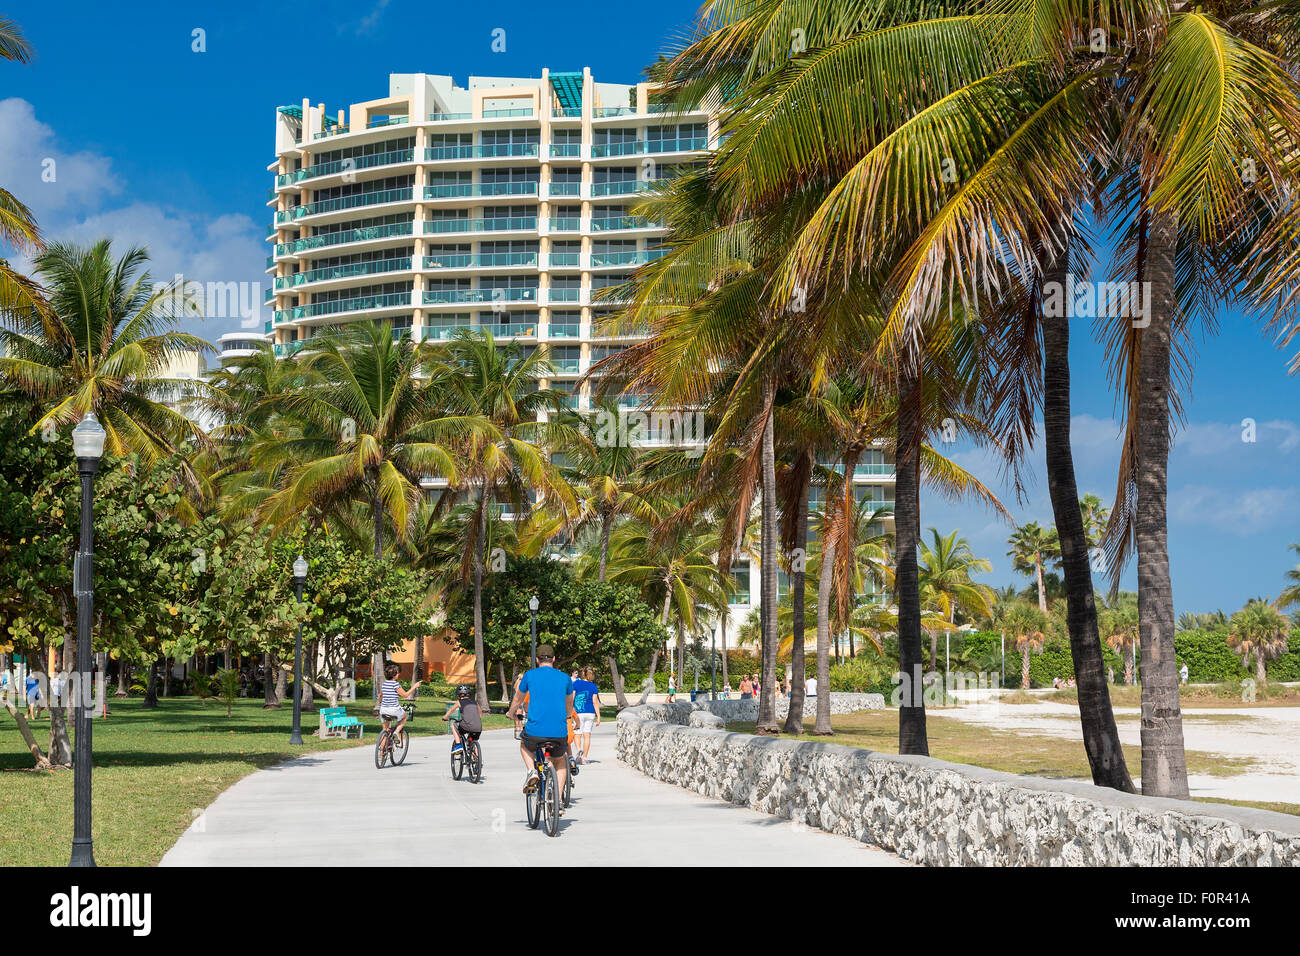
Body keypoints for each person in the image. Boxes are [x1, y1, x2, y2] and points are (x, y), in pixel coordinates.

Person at [507, 644, 576, 802]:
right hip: (559, 732)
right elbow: (569, 702)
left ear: (537, 660)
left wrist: (511, 713)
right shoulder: (565, 678)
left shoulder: (529, 676)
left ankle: (532, 771)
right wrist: (566, 715)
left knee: (524, 743)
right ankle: (557, 801)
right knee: (560, 761)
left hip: (535, 732)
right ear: (553, 659)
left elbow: (518, 698)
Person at [376, 662, 420, 741]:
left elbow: (381, 696)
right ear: (394, 675)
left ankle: (381, 751)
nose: (398, 674)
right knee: (405, 716)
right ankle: (396, 732)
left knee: (385, 730)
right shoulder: (395, 684)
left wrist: (381, 702)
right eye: (397, 673)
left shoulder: (384, 684)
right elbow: (405, 695)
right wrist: (414, 687)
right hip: (394, 710)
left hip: (383, 710)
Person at [571, 667, 601, 763]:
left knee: (577, 733)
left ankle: (579, 749)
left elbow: (572, 698)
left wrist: (569, 711)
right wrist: (598, 717)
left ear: (583, 673)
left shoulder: (576, 683)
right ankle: (584, 758)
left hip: (578, 713)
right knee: (587, 735)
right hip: (590, 713)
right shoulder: (593, 686)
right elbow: (595, 702)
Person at [442, 684, 482, 753]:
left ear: (459, 695)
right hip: (478, 727)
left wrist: (445, 717)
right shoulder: (475, 702)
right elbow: (480, 713)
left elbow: (451, 710)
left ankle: (458, 745)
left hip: (466, 726)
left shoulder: (459, 702)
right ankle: (477, 759)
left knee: (454, 725)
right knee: (471, 742)